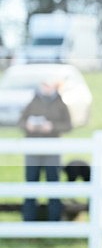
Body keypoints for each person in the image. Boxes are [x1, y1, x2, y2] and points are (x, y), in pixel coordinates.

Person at [19, 80, 72, 221]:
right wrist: (28, 125)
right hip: (33, 150)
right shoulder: (33, 102)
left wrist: (52, 127)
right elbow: (21, 121)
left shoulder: (60, 104)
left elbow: (68, 125)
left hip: (52, 151)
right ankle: (28, 220)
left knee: (53, 184)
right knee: (31, 184)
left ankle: (54, 220)